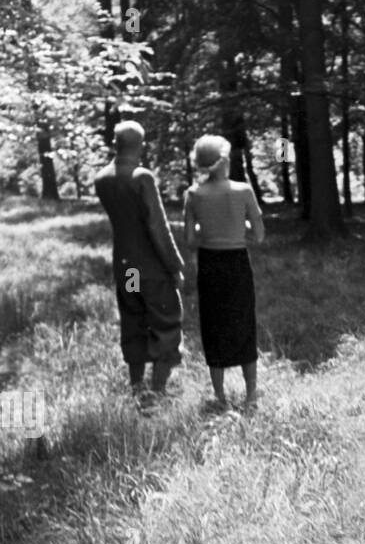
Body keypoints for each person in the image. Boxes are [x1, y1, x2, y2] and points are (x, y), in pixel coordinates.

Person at [94, 120, 185, 397]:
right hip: (151, 269)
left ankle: (137, 388)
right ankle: (158, 392)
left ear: (114, 144)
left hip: (128, 268)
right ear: (141, 146)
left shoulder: (102, 178)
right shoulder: (142, 177)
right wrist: (175, 266)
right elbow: (158, 227)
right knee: (164, 322)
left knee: (134, 319)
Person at [182, 136, 265, 410]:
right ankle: (251, 393)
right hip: (237, 262)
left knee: (213, 324)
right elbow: (259, 235)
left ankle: (220, 396)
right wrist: (237, 229)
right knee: (243, 321)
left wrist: (206, 229)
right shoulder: (243, 191)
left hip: (209, 264)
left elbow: (190, 240)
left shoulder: (193, 195)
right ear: (224, 161)